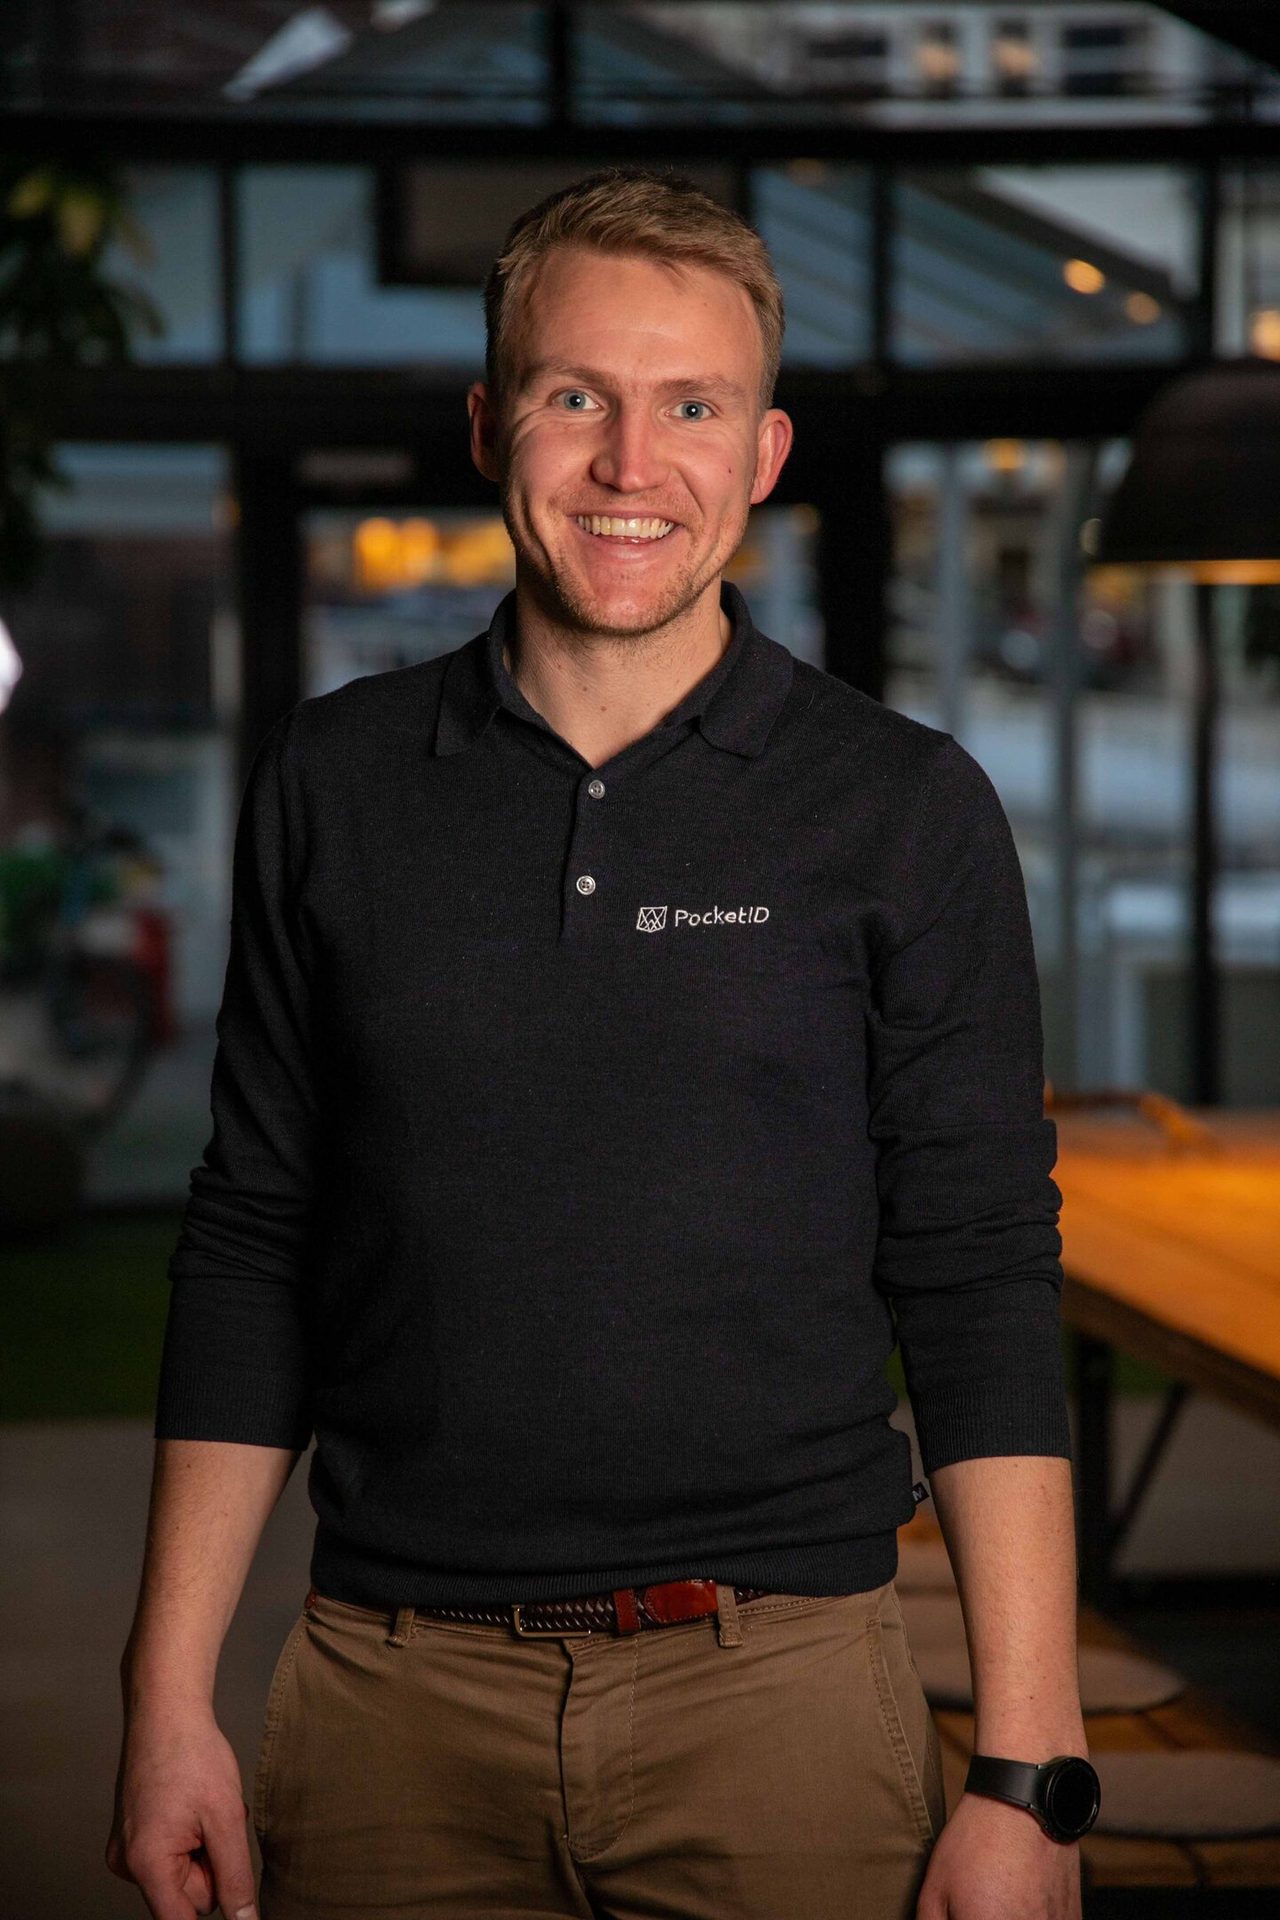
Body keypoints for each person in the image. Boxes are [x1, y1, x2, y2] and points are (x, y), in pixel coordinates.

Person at [108, 170, 1094, 1920]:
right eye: (578, 396)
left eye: (692, 407)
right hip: (389, 1694)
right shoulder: (335, 783)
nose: (632, 464)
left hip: (782, 1687)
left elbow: (981, 1272)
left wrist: (1028, 1769)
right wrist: (165, 1699)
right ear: (491, 425)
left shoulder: (906, 809)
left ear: (765, 454)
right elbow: (254, 1237)